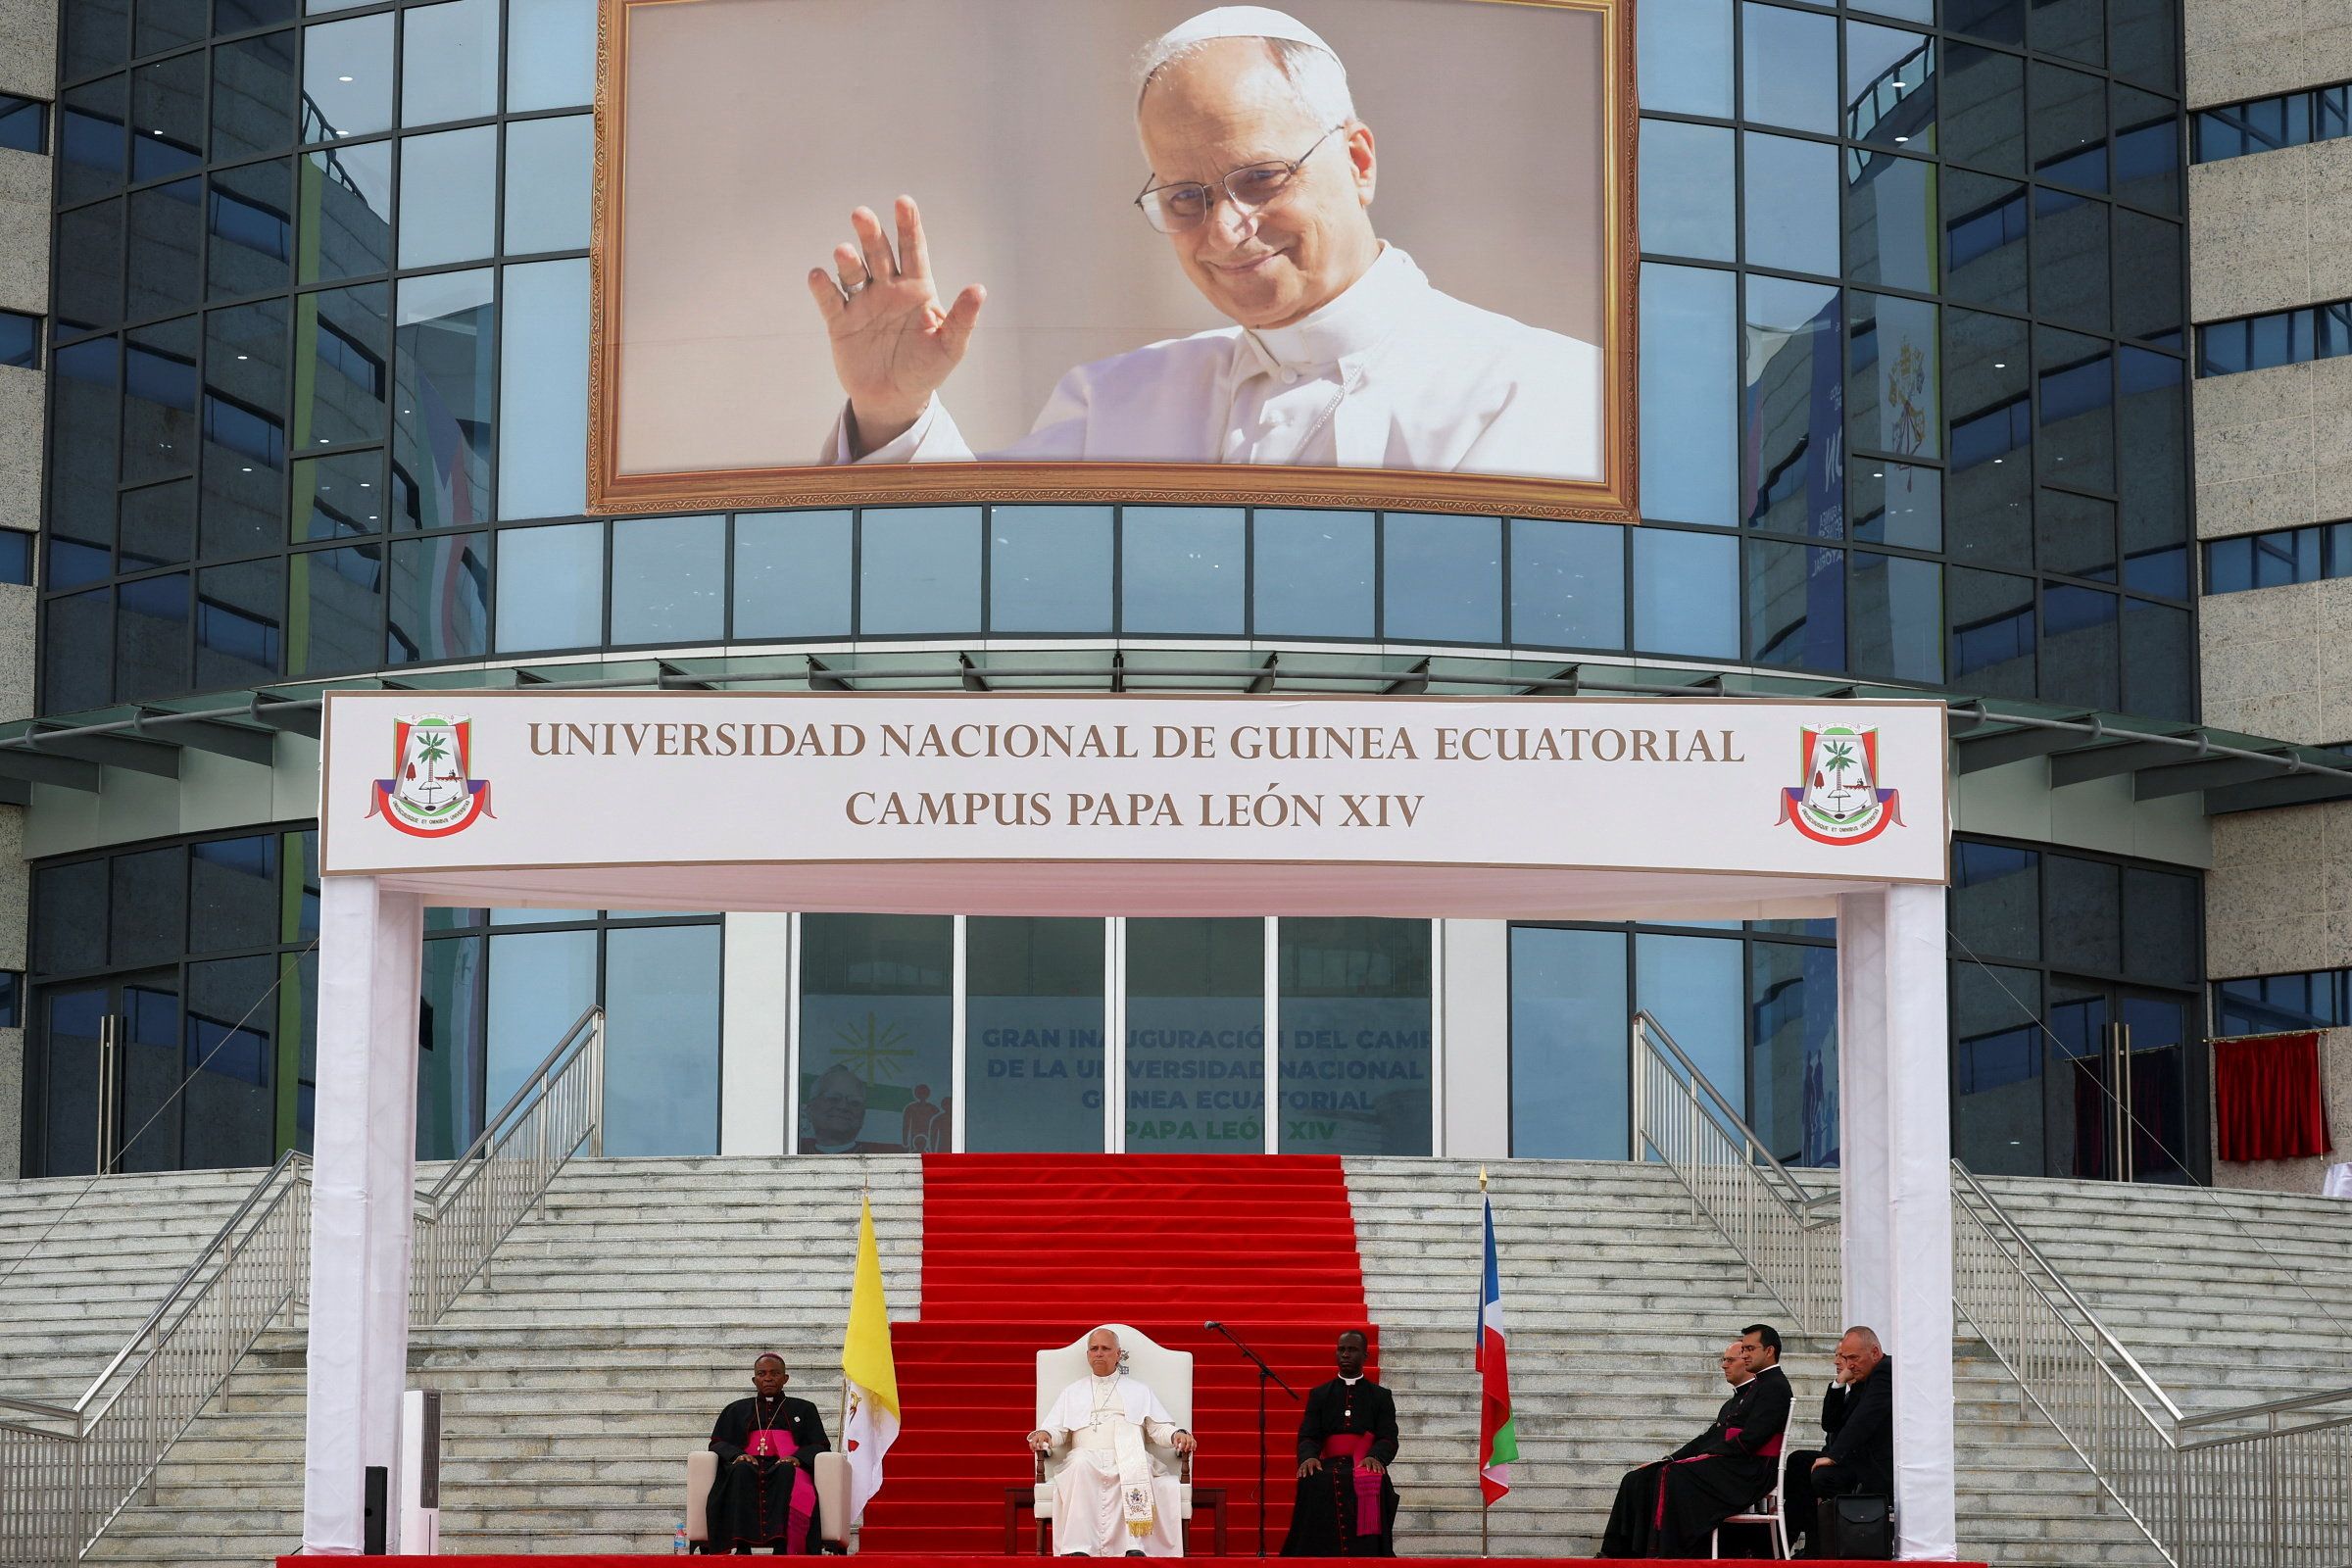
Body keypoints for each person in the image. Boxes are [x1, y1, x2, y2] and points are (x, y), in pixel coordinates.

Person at [805, 5, 1603, 481]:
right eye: (1186, 197)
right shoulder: (1112, 404)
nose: (1225, 230)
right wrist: (891, 412)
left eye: (1260, 178)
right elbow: (981, 576)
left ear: (1358, 162)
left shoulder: (1536, 387)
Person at [1597, 1324, 1793, 1559]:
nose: (1745, 1355)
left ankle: (1669, 1551)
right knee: (1640, 1476)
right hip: (1737, 1463)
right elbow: (1717, 1436)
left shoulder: (1775, 1386)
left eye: (1750, 1349)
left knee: (1674, 1474)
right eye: (1743, 1350)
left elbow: (1751, 1439)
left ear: (1769, 1351)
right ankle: (1622, 1551)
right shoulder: (1760, 1385)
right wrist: (1677, 1457)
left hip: (1751, 1471)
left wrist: (1708, 1454)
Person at [1027, 1327, 1199, 1556]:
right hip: (1086, 1455)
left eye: (1106, 1348)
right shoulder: (1072, 1392)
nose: (1099, 1353)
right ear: (1088, 1355)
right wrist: (1044, 1434)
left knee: (1132, 1464)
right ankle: (1078, 1547)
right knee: (1079, 1463)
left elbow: (1158, 1428)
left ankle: (1133, 1547)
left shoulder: (1139, 1390)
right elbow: (1057, 1430)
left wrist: (1176, 1434)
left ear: (1118, 1354)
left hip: (1127, 1454)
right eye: (1094, 1349)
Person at [1280, 1329, 1397, 1555]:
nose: (1345, 1354)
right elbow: (1308, 1435)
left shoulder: (1380, 1396)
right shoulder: (1320, 1394)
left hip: (1364, 1461)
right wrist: (1309, 1457)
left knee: (1374, 1478)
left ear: (1365, 1355)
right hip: (1328, 1462)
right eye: (1341, 1349)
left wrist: (1375, 1457)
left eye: (1352, 1350)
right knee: (1312, 1479)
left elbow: (1388, 1436)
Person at [1782, 1326, 1894, 1559]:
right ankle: (1801, 1544)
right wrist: (1839, 1384)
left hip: (1874, 1464)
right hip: (1854, 1458)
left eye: (1853, 1358)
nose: (1848, 1364)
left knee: (1823, 1476)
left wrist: (1833, 1456)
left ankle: (1831, 1544)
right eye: (1844, 1358)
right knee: (1798, 1462)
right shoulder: (1861, 1377)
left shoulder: (1885, 1370)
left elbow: (1864, 1419)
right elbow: (1830, 1423)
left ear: (1874, 1352)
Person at [706, 1353, 831, 1554]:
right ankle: (742, 1547)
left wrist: (797, 1458)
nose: (768, 1378)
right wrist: (737, 1455)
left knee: (786, 1471)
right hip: (748, 1465)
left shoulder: (804, 1409)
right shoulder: (736, 1409)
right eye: (762, 1374)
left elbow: (820, 1444)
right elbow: (717, 1443)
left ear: (785, 1378)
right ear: (754, 1379)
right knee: (741, 1470)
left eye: (775, 1373)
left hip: (786, 1466)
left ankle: (783, 1546)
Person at [798, 1066, 901, 1154]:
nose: (843, 1106)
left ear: (863, 1116)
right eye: (833, 1098)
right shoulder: (794, 1151)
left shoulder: (879, 1159)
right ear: (809, 1110)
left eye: (854, 1102)